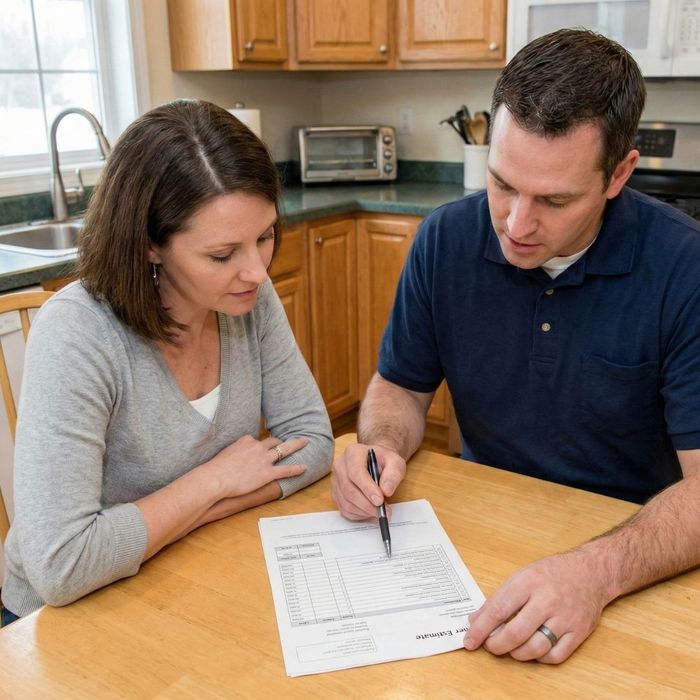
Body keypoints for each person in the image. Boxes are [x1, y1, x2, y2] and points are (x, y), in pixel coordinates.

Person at [331, 29, 700, 664]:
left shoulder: (685, 267)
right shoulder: (444, 240)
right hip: (476, 536)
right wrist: (381, 448)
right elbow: (400, 388)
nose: (516, 224)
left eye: (555, 200)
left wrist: (596, 572)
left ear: (619, 174)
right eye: (502, 184)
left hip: (633, 561)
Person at [1, 99, 334, 625]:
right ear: (151, 245)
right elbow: (61, 566)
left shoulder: (248, 299)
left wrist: (188, 514)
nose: (257, 271)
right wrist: (215, 482)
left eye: (265, 236)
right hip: (59, 624)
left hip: (185, 572)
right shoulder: (78, 333)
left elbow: (314, 441)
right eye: (223, 255)